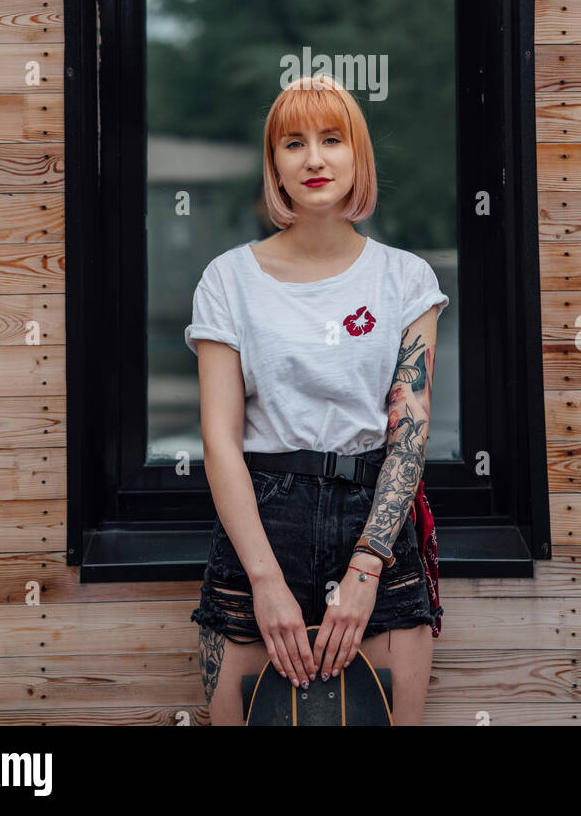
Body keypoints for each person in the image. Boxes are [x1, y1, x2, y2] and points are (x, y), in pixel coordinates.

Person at [185, 73, 448, 725]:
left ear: (357, 155)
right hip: (263, 523)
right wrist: (266, 584)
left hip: (375, 530)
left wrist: (365, 570)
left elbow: (407, 437)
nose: (313, 158)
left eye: (331, 139)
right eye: (292, 142)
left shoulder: (404, 279)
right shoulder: (228, 279)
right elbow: (219, 442)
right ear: (272, 163)